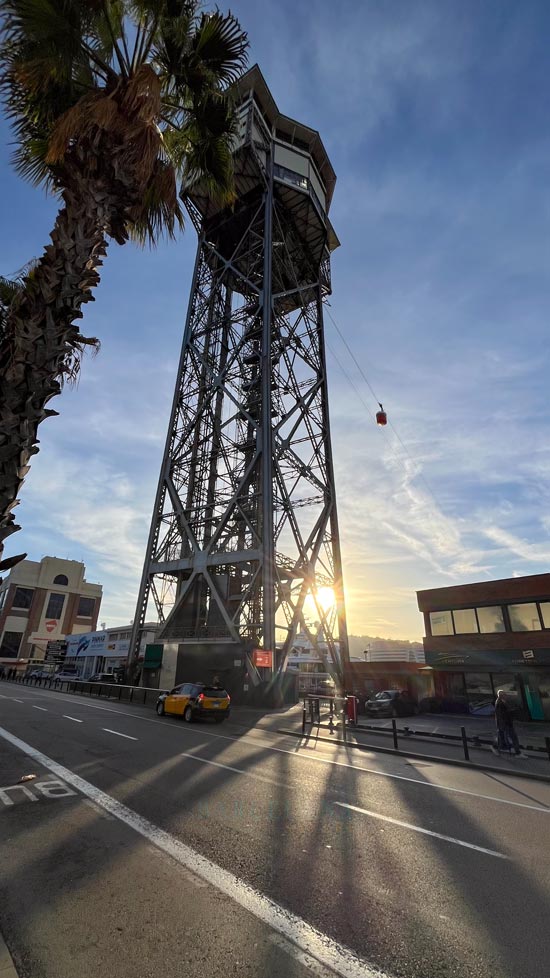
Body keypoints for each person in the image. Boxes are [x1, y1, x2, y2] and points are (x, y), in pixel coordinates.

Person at [491, 689, 527, 758]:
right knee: (513, 737)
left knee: (502, 738)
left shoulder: (502, 702)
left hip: (504, 724)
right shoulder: (499, 703)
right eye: (504, 694)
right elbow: (502, 715)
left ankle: (495, 748)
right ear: (501, 696)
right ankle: (518, 753)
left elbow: (505, 713)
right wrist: (512, 712)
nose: (506, 695)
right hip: (505, 724)